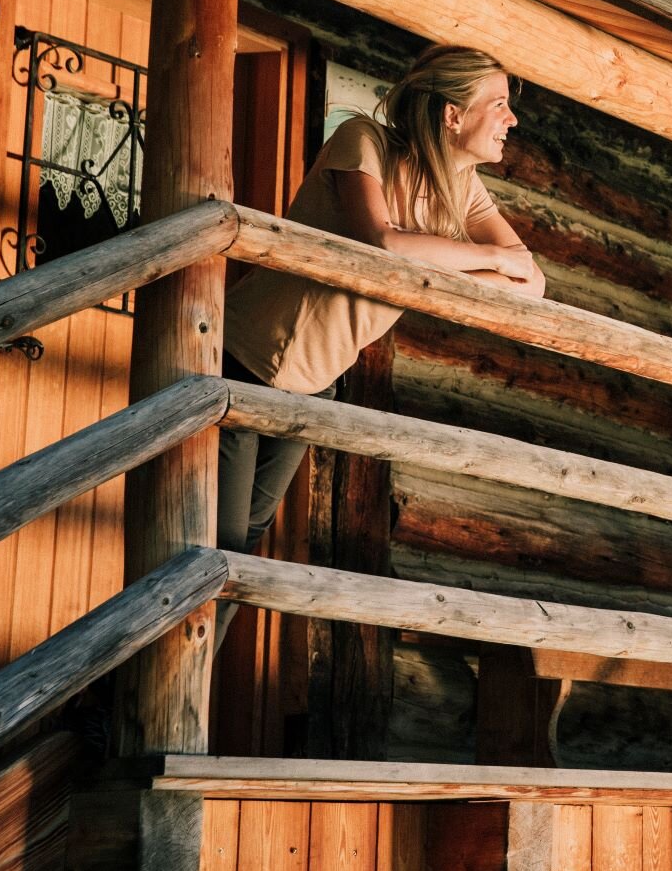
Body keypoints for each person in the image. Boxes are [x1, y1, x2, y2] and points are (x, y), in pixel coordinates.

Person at [219, 44, 546, 563]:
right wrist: (486, 258)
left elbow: (532, 282)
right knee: (218, 540)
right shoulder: (363, 139)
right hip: (244, 356)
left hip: (316, 381)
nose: (513, 118)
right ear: (453, 114)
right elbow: (383, 242)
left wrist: (475, 262)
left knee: (246, 543)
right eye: (499, 104)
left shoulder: (463, 187)